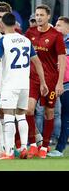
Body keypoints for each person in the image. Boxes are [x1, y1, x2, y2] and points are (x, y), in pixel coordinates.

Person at [0, 13, 47, 160]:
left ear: (3, 24)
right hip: (25, 84)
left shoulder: (3, 40)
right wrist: (43, 82)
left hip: (10, 84)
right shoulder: (25, 40)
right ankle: (24, 148)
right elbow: (37, 62)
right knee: (21, 115)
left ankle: (10, 152)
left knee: (8, 115)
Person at [25, 4, 66, 158]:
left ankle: (45, 146)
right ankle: (34, 143)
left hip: (50, 79)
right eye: (37, 15)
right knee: (28, 110)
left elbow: (62, 60)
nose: (39, 17)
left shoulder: (56, 35)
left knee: (49, 112)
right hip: (32, 78)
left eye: (42, 15)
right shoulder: (30, 33)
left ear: (48, 16)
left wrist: (60, 82)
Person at [48, 16, 69, 157]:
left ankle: (60, 149)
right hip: (61, 84)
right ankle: (57, 147)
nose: (56, 27)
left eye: (59, 25)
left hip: (67, 84)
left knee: (65, 115)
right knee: (63, 115)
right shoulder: (58, 43)